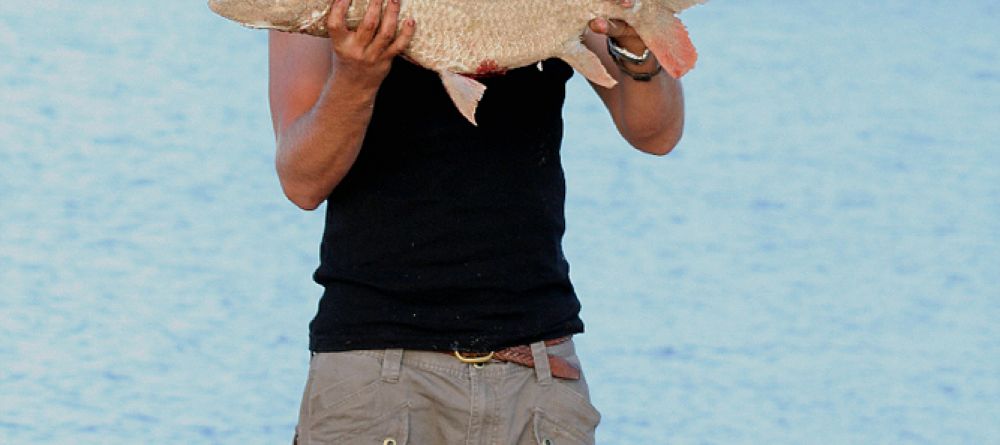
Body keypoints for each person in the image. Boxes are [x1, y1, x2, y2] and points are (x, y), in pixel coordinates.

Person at [268, 0, 684, 443]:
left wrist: (636, 42)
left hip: (537, 369)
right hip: (376, 372)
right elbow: (302, 182)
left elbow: (656, 133)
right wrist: (356, 80)